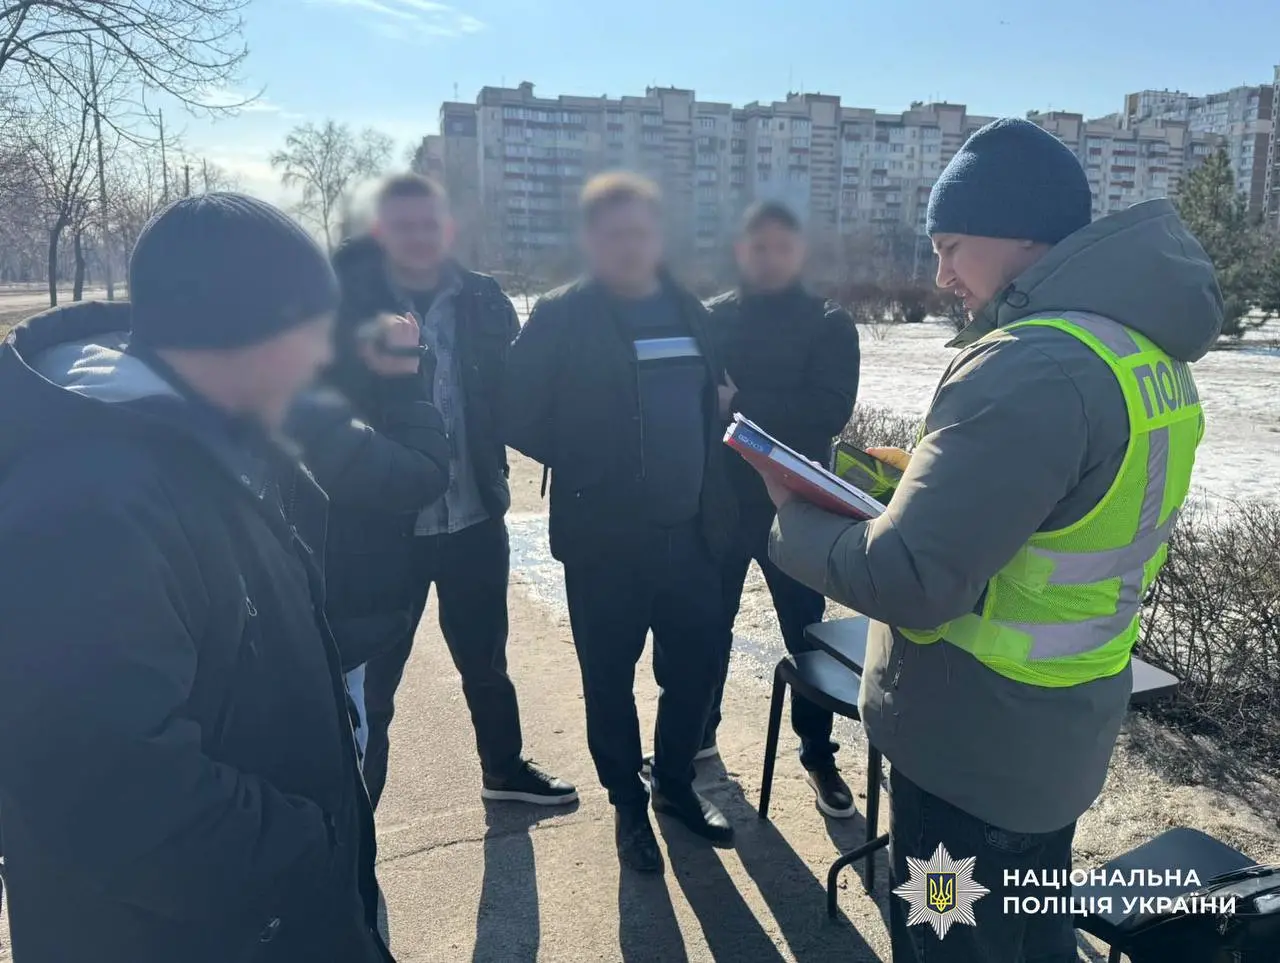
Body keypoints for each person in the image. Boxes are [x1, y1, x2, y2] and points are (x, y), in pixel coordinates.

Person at [764, 118, 1222, 962]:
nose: (941, 275)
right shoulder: (1144, 354)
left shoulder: (1029, 365)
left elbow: (911, 579)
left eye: (950, 246)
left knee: (946, 939)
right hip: (1060, 734)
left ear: (1019, 232)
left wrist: (793, 517)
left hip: (967, 757)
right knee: (1029, 932)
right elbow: (1067, 511)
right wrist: (931, 487)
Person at [0, 194, 391, 962]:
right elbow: (114, 793)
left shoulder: (204, 441)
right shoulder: (86, 507)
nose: (323, 359)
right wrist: (311, 850)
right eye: (314, 331)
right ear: (247, 332)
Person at [505, 171, 739, 874]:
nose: (629, 246)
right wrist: (592, 457)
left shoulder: (690, 309)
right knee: (608, 681)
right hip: (605, 540)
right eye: (613, 234)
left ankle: (673, 784)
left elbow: (709, 394)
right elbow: (513, 410)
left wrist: (718, 408)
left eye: (640, 231)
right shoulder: (562, 314)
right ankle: (627, 804)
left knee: (695, 671)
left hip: (693, 534)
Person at [330, 173, 575, 809]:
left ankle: (503, 770)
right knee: (373, 683)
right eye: (403, 226)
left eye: (429, 224)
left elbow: (517, 396)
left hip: (473, 515)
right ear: (381, 231)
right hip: (384, 526)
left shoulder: (484, 299)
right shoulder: (343, 305)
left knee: (487, 662)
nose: (419, 237)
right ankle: (356, 811)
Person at [703, 200, 861, 817]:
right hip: (719, 502)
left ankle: (818, 755)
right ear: (740, 251)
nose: (769, 258)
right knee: (706, 626)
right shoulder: (713, 319)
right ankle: (698, 740)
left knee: (806, 633)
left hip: (796, 509)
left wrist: (740, 401)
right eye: (757, 246)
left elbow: (827, 411)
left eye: (782, 247)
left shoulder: (828, 322)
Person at [285, 309, 452, 761]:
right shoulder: (298, 408)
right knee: (343, 753)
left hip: (242, 640)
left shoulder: (151, 399)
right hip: (317, 629)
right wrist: (402, 373)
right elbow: (422, 473)